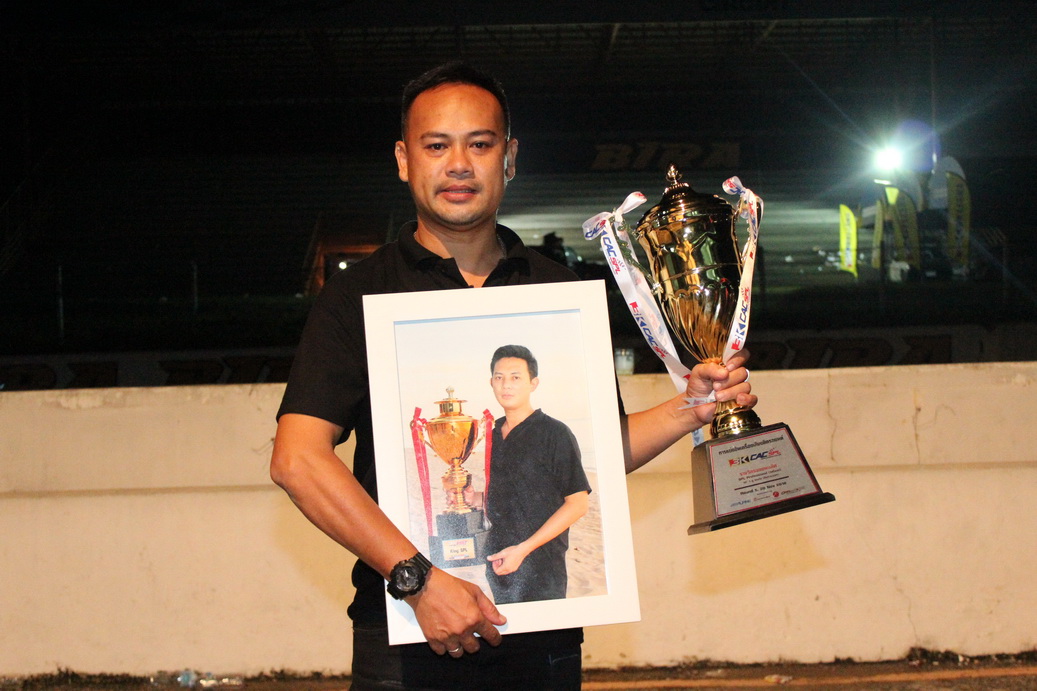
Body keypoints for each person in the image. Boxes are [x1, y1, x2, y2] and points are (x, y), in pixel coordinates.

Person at [270, 61, 756, 690]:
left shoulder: (558, 289)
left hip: (543, 632)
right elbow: (298, 460)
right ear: (403, 160)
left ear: (510, 158)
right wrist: (418, 580)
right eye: (436, 146)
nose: (459, 165)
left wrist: (692, 407)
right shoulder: (355, 296)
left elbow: (593, 454)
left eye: (480, 144)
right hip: (406, 635)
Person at [482, 344, 590, 605]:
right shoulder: (492, 435)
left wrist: (523, 550)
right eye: (499, 377)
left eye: (516, 377)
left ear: (533, 383)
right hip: (498, 563)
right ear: (491, 383)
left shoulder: (554, 433)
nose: (506, 385)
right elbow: (510, 492)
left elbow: (578, 504)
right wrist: (472, 496)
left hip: (542, 567)